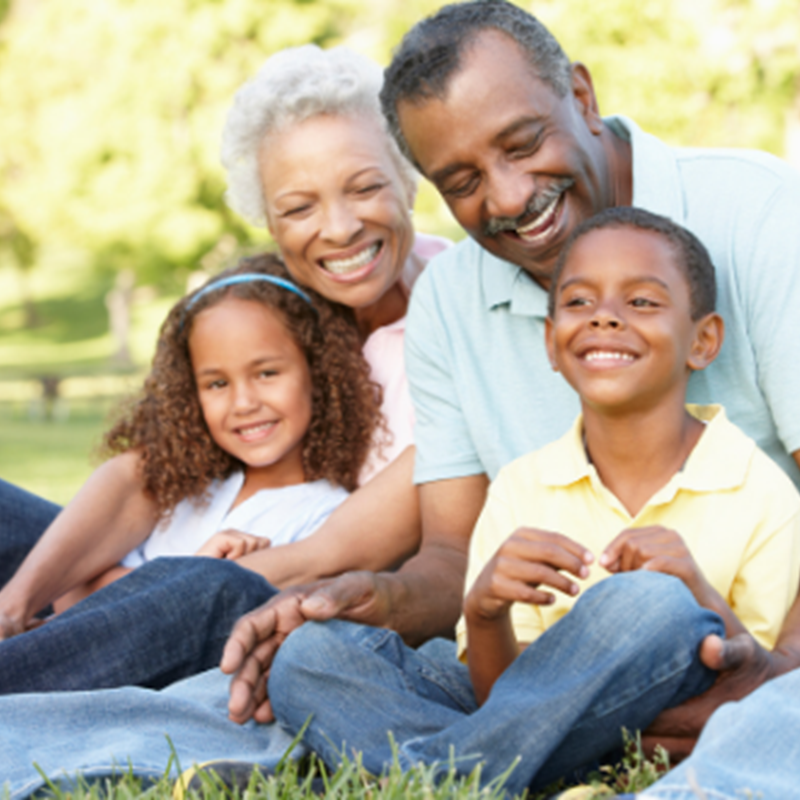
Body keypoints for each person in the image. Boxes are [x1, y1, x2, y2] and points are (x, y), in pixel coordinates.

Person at [220, 0, 800, 760]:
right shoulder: (452, 302)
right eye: (460, 181)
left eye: (523, 144)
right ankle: (513, 758)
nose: (508, 198)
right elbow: (453, 560)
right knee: (318, 658)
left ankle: (464, 766)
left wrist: (775, 677)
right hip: (530, 676)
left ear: (583, 99)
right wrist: (378, 598)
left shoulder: (763, 213)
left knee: (650, 609)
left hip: (722, 651)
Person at [266, 207, 800, 795]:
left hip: (676, 713)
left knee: (653, 602)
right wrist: (484, 611)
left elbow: (764, 691)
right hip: (534, 726)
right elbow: (502, 698)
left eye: (642, 302)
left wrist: (695, 595)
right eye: (578, 302)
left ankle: (442, 776)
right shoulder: (523, 484)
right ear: (550, 342)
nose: (605, 318)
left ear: (703, 340)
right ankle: (506, 774)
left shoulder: (758, 487)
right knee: (314, 654)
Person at [0, 44, 448, 689]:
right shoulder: (277, 304)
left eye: (366, 186)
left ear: (408, 178)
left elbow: (338, 552)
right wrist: (28, 598)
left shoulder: (460, 315)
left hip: (268, 600)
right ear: (268, 220)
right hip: (152, 575)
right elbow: (147, 473)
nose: (340, 228)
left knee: (206, 584)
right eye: (299, 207)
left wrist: (126, 591)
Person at [0, 253, 383, 693]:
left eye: (267, 373)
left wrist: (150, 578)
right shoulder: (184, 484)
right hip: (53, 633)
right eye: (217, 384)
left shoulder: (324, 513)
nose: (243, 403)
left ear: (319, 374)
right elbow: (71, 591)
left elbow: (174, 621)